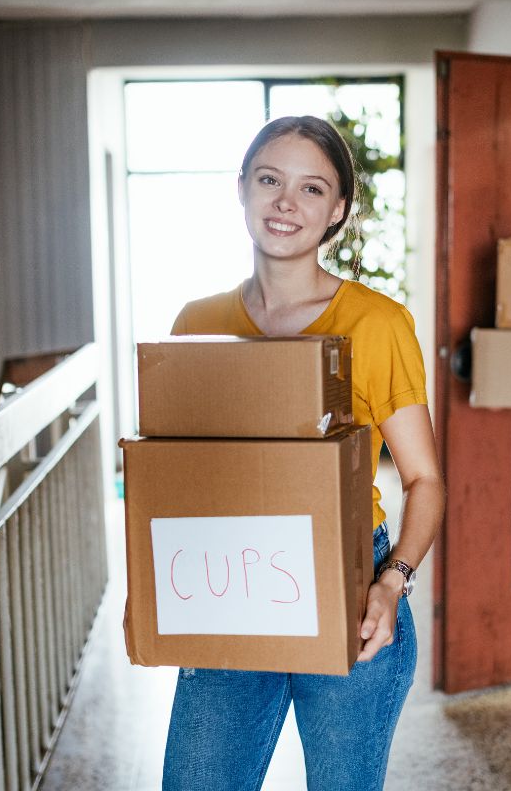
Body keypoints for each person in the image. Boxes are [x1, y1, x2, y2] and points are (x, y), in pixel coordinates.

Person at [161, 115, 445, 790]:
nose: (287, 203)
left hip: (350, 586)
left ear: (337, 210)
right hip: (228, 585)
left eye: (312, 188)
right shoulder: (196, 324)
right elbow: (173, 474)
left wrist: (392, 579)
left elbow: (426, 478)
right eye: (270, 180)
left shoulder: (377, 324)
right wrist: (151, 587)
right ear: (241, 190)